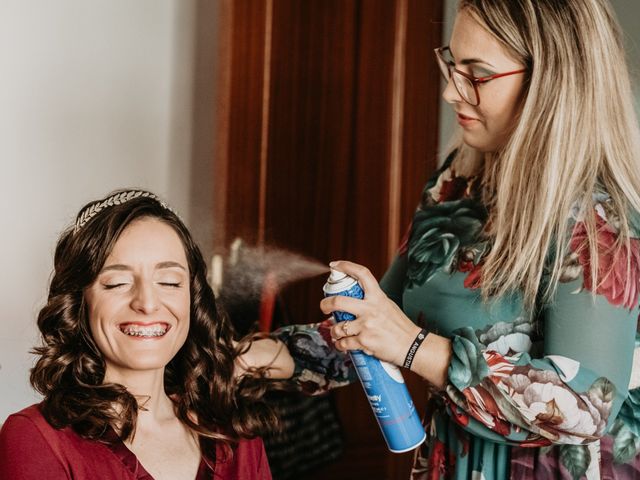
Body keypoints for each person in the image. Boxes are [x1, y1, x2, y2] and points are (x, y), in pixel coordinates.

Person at [239, 0, 640, 478]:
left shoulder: (599, 223)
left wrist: (413, 347)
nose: (451, 91)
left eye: (477, 74)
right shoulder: (454, 186)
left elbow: (586, 407)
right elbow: (375, 330)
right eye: (452, 64)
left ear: (553, 83)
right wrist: (258, 358)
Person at [0, 190, 274, 479]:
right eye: (117, 283)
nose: (147, 303)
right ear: (80, 302)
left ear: (192, 300)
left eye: (169, 282)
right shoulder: (36, 438)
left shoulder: (235, 432)